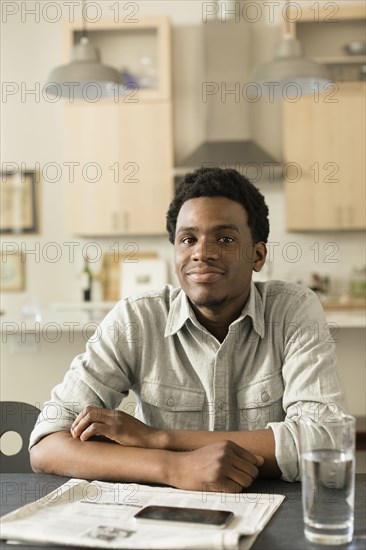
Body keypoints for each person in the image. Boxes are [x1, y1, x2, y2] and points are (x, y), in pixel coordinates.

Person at [30, 167, 346, 492]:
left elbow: (327, 440)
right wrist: (173, 467)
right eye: (188, 239)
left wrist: (158, 438)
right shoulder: (136, 319)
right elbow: (47, 443)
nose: (202, 252)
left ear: (258, 255)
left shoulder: (293, 310)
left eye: (225, 239)